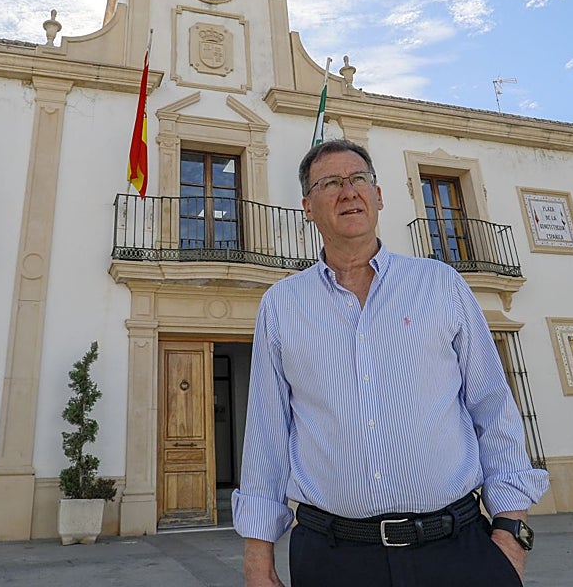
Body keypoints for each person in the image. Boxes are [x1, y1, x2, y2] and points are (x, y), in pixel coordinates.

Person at [232, 139, 549, 586]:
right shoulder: (281, 305)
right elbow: (267, 433)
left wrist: (512, 532)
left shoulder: (441, 285)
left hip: (458, 550)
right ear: (308, 206)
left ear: (378, 196)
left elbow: (493, 406)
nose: (348, 191)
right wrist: (257, 557)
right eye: (330, 183)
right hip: (334, 559)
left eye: (359, 178)